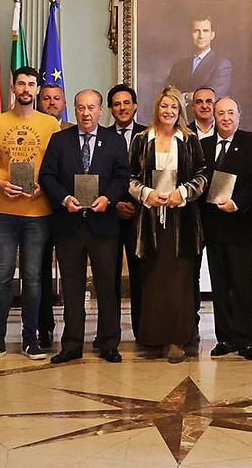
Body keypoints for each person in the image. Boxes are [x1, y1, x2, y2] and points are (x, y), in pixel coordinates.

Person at [39, 89, 130, 364]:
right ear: (74, 110)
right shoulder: (59, 140)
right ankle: (72, 344)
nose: (86, 113)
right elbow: (47, 176)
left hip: (103, 224)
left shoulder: (114, 141)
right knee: (72, 287)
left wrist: (109, 199)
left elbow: (122, 176)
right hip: (69, 225)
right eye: (81, 108)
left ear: (101, 110)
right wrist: (64, 198)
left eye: (91, 108)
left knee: (107, 286)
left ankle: (108, 342)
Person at [0, 67, 61, 360]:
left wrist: (45, 186)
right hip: (2, 211)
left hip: (38, 212)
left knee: (32, 277)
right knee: (1, 276)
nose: (26, 88)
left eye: (31, 84)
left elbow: (55, 166)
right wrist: (0, 183)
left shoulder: (51, 125)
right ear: (12, 87)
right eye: (21, 83)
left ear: (38, 89)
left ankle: (31, 338)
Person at [128, 85, 209, 363]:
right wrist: (147, 194)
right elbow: (129, 176)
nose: (169, 111)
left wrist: (182, 193)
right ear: (157, 109)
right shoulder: (142, 139)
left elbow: (202, 175)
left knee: (180, 281)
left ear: (180, 111)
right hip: (149, 220)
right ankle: (153, 338)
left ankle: (179, 340)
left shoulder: (189, 139)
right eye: (164, 106)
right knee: (153, 279)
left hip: (182, 220)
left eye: (174, 107)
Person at [199, 96, 252, 360]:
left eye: (230, 112)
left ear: (239, 115)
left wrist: (236, 203)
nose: (225, 117)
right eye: (220, 113)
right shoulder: (203, 146)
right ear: (213, 118)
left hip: (241, 225)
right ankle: (225, 339)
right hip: (213, 227)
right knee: (220, 285)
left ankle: (247, 341)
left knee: (242, 285)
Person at [105, 83, 146, 341]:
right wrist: (115, 204)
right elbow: (98, 175)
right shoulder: (103, 137)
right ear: (110, 109)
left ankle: (143, 333)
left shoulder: (148, 135)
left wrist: (135, 203)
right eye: (116, 104)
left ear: (135, 106)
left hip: (141, 215)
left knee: (141, 276)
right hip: (109, 215)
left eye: (126, 103)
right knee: (108, 278)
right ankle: (110, 335)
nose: (122, 108)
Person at [35, 82, 69, 345]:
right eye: (46, 98)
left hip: (69, 212)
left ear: (64, 104)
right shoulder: (30, 128)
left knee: (71, 273)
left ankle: (74, 328)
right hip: (36, 210)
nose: (51, 103)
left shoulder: (72, 132)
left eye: (56, 98)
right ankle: (44, 326)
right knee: (40, 272)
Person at [164, 17, 232, 103]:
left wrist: (181, 96)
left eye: (205, 31)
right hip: (180, 116)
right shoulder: (178, 66)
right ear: (189, 34)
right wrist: (187, 96)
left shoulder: (222, 65)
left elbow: (212, 98)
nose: (201, 36)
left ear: (212, 35)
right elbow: (166, 94)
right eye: (196, 31)